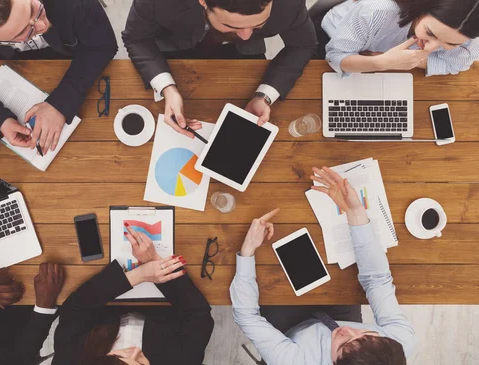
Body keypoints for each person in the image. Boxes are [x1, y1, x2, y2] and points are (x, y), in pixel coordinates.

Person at [230, 167, 416, 365]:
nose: (347, 331)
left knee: (269, 289)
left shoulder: (294, 361)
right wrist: (356, 213)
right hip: (336, 313)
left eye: (344, 345)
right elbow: (377, 279)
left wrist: (248, 250)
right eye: (365, 336)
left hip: (290, 332)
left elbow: (247, 316)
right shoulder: (399, 342)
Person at [0, 0, 117, 153]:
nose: (42, 24)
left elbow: (102, 44)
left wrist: (61, 103)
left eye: (33, 8)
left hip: (68, 53)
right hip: (4, 63)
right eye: (23, 32)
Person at [122, 0, 318, 138]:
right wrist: (167, 88)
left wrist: (265, 96)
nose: (246, 35)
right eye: (231, 25)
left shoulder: (289, 3)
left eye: (259, 25)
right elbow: (136, 38)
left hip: (244, 58)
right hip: (174, 48)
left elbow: (303, 44)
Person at [52, 225, 214, 365]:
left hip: (106, 303)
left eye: (122, 356)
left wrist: (139, 275)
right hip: (165, 309)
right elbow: (198, 315)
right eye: (142, 363)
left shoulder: (70, 359)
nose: (136, 351)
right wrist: (156, 262)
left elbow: (74, 309)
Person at [312, 0, 479, 77]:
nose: (429, 49)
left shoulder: (466, 34)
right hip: (333, 35)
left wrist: (416, 61)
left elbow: (458, 62)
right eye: (430, 33)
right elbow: (336, 55)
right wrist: (381, 63)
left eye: (451, 43)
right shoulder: (375, 11)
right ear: (423, 8)